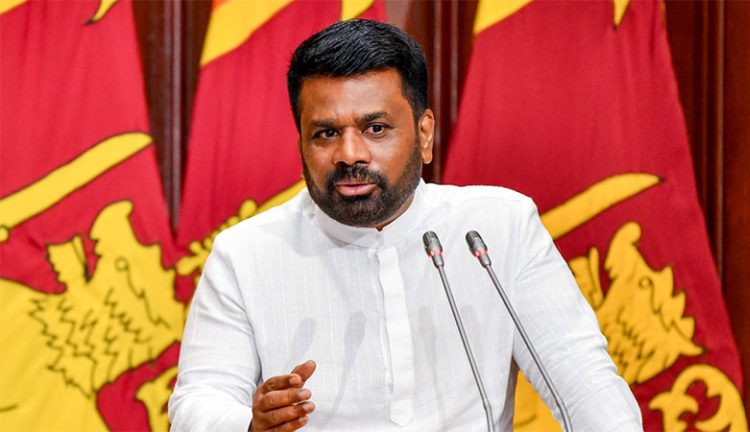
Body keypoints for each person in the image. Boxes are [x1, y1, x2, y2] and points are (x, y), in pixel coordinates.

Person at [168, 19, 642, 432]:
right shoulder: (246, 254)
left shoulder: (497, 229)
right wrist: (250, 425)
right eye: (326, 133)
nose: (350, 154)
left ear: (424, 132)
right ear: (300, 142)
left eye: (376, 128)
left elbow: (584, 383)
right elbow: (196, 404)